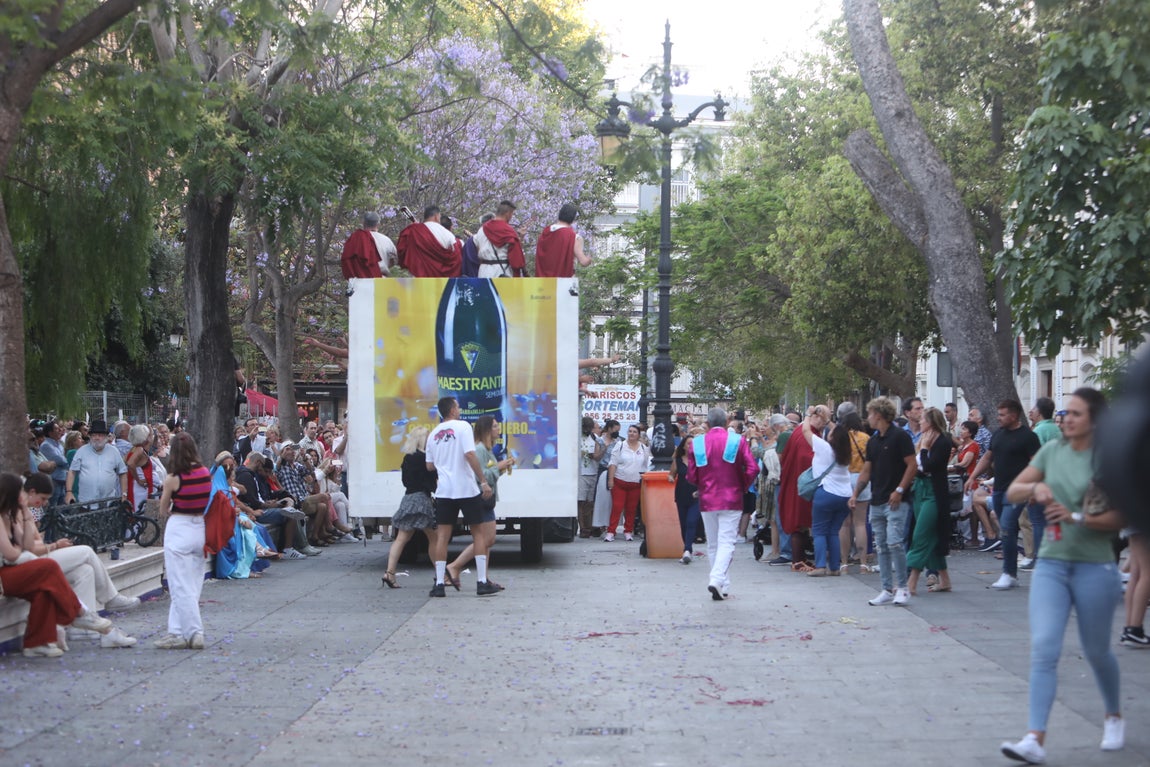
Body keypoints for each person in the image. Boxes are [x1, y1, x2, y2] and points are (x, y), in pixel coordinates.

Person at [999, 388, 1126, 764]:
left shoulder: (1109, 459)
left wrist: (1076, 517)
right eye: (1065, 412)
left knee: (1097, 651)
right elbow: (1013, 491)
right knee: (1044, 648)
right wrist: (1036, 486)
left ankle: (1114, 715)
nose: (1066, 418)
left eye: (1076, 413)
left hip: (1095, 565)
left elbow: (1123, 516)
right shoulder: (1052, 451)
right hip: (1052, 565)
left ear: (1095, 421)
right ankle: (1034, 738)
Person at [16, 472, 139, 648]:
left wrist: (49, 544)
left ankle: (82, 629)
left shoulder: (27, 511)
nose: (43, 503)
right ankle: (111, 598)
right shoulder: (18, 512)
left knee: (84, 571)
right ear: (31, 492)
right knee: (86, 552)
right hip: (33, 562)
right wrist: (55, 545)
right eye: (42, 499)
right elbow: (29, 548)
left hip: (39, 556)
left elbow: (36, 543)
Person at [0, 472, 117, 657]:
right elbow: (12, 555)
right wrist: (20, 548)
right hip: (4, 576)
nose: (23, 495)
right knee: (49, 567)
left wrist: (25, 514)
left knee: (43, 590)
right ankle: (78, 613)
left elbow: (26, 545)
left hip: (13, 570)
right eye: (20, 492)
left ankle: (37, 643)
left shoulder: (10, 515)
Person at [424, 397, 497, 597]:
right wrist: (483, 480)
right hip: (466, 488)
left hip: (444, 490)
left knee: (442, 536)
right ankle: (481, 581)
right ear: (452, 410)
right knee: (478, 534)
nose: (460, 409)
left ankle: (439, 583)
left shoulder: (433, 434)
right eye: (457, 406)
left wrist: (444, 463)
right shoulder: (463, 426)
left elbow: (429, 466)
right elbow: (470, 455)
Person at [966, 399, 1041, 590]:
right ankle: (1012, 572)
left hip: (1017, 491)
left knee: (1007, 527)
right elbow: (987, 457)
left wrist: (1034, 488)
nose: (998, 418)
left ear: (1014, 416)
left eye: (1002, 415)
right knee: (1007, 530)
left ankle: (1008, 572)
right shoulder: (998, 434)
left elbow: (1037, 464)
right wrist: (972, 476)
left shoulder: (1028, 437)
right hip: (998, 489)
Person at [685, 407, 759, 600]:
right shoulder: (737, 440)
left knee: (713, 543)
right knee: (727, 542)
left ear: (707, 423)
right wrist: (742, 485)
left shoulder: (697, 443)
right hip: (731, 497)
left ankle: (722, 583)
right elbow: (753, 468)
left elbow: (691, 475)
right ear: (727, 422)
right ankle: (718, 580)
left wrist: (702, 484)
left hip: (707, 498)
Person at [850, 397, 917, 606]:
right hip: (877, 499)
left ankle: (902, 587)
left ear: (878, 415)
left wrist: (900, 490)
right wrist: (855, 493)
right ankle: (886, 588)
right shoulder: (873, 441)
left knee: (894, 542)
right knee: (881, 545)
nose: (868, 418)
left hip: (896, 500)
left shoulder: (900, 437)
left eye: (870, 414)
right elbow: (867, 470)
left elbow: (912, 465)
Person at [154, 432, 211, 650]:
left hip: (179, 528)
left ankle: (194, 632)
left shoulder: (172, 478)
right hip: (199, 528)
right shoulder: (205, 472)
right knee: (193, 584)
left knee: (179, 585)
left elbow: (163, 509)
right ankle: (176, 631)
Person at [446, 416, 513, 589]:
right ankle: (455, 566)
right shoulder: (480, 449)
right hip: (481, 498)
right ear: (487, 430)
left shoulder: (486, 449)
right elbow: (480, 474)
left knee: (486, 541)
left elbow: (489, 473)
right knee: (486, 539)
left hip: (486, 499)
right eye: (495, 426)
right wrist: (499, 467)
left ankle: (484, 578)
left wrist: (500, 468)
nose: (498, 429)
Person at [905, 408, 955, 595]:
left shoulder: (942, 441)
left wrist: (925, 449)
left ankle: (911, 582)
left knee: (920, 535)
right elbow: (918, 467)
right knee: (931, 535)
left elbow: (928, 466)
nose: (920, 422)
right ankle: (945, 580)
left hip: (934, 493)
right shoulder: (924, 439)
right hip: (920, 490)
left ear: (931, 422)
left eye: (923, 420)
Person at [383, 427, 438, 589]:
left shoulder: (407, 458)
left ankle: (389, 572)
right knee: (433, 538)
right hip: (422, 499)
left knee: (401, 538)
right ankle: (441, 574)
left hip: (408, 498)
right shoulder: (425, 458)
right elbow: (433, 481)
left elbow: (405, 481)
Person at [801, 407, 853, 577]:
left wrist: (808, 414)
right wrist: (827, 419)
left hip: (826, 493)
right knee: (833, 531)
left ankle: (821, 566)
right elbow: (841, 434)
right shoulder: (845, 452)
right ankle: (835, 567)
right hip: (845, 495)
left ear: (832, 438)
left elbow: (806, 431)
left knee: (819, 531)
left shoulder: (824, 448)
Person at [779, 407, 824, 570]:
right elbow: (807, 458)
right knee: (799, 520)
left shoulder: (801, 432)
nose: (825, 424)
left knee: (801, 519)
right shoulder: (807, 435)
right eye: (824, 419)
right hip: (802, 483)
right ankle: (797, 560)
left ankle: (801, 558)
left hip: (796, 481)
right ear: (816, 417)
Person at [838, 409, 873, 573]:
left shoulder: (841, 438)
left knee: (845, 524)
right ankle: (863, 563)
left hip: (844, 478)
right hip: (862, 478)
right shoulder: (866, 438)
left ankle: (844, 563)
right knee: (860, 523)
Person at [64, 420, 128, 505]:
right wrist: (69, 492)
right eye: (94, 435)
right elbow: (72, 472)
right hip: (86, 503)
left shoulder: (113, 451)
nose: (97, 438)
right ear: (90, 436)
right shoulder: (81, 451)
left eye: (100, 435)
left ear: (106, 437)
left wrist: (124, 494)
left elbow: (122, 472)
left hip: (109, 501)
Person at [605, 424, 651, 542]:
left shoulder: (643, 448)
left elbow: (646, 465)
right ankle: (611, 531)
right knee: (617, 507)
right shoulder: (620, 445)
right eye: (630, 431)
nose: (631, 433)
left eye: (634, 432)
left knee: (631, 508)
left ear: (638, 435)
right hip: (619, 481)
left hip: (635, 483)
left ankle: (628, 531)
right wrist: (610, 480)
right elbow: (613, 463)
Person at [668, 426, 704, 565]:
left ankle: (687, 549)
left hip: (696, 496)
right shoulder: (677, 461)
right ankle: (687, 548)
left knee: (691, 521)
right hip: (681, 495)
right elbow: (671, 474)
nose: (691, 446)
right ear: (683, 446)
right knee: (683, 524)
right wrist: (671, 478)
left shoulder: (700, 460)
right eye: (689, 444)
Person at [396, 205, 462, 277]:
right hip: (441, 281)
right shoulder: (448, 234)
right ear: (436, 216)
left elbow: (401, 251)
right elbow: (456, 259)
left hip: (416, 279)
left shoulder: (413, 230)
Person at [471, 200, 526, 278]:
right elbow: (516, 261)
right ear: (508, 213)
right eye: (512, 214)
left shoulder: (481, 230)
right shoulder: (509, 232)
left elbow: (476, 248)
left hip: (483, 272)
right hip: (502, 272)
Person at [534, 203, 590, 277]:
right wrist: (589, 259)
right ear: (573, 219)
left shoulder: (545, 233)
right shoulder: (573, 237)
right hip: (563, 281)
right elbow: (583, 262)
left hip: (543, 281)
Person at [125, 424, 165, 512]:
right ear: (145, 438)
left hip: (140, 488)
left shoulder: (134, 449)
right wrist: (139, 480)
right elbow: (130, 463)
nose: (152, 437)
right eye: (150, 435)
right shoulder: (139, 450)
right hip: (141, 491)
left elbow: (126, 462)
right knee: (141, 513)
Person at [577, 417, 605, 538]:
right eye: (585, 428)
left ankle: (590, 526)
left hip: (593, 472)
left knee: (590, 502)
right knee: (581, 501)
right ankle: (583, 528)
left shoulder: (595, 438)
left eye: (590, 428)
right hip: (581, 473)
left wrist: (601, 451)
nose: (587, 430)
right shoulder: (577, 438)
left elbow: (598, 456)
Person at [340, 211, 385, 278]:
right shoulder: (385, 240)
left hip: (356, 281)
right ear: (378, 225)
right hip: (377, 281)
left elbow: (346, 260)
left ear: (363, 223)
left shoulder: (354, 238)